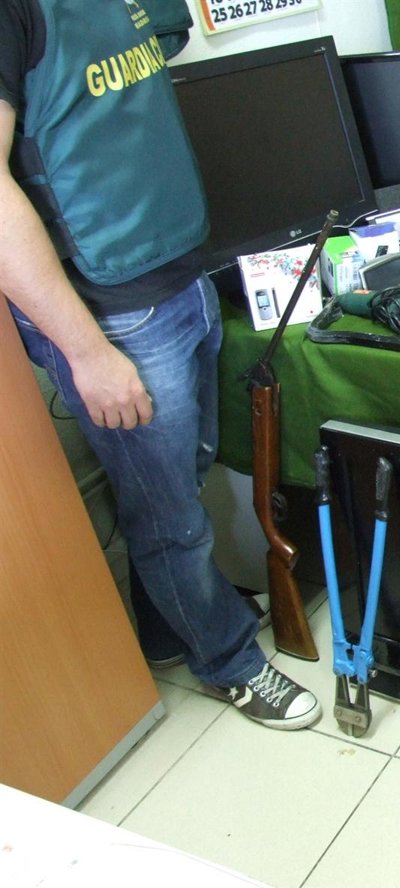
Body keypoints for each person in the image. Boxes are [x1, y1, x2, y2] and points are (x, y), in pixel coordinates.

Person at [0, 0, 320, 729]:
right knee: (170, 518)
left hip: (180, 267)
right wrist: (87, 352)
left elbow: (161, 41)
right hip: (113, 311)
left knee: (184, 478)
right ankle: (229, 662)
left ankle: (169, 626)